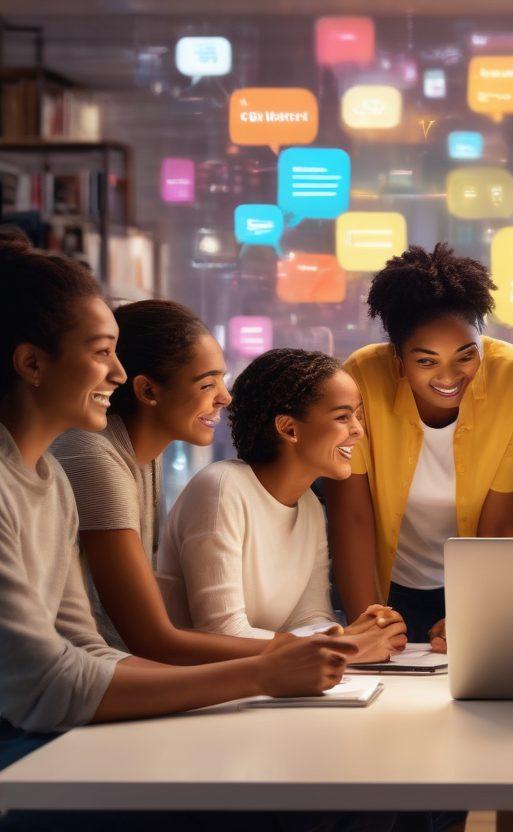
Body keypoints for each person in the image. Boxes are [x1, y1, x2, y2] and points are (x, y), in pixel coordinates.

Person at [0, 236, 392, 831]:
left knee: (349, 798)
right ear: (31, 364)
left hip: (72, 718)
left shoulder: (50, 478)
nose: (119, 371)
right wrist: (261, 674)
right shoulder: (87, 461)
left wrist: (276, 672)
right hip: (28, 750)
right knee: (319, 806)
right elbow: (50, 684)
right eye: (103, 352)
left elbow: (91, 649)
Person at [52, 300, 405, 664]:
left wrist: (346, 637)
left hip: (119, 669)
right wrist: (340, 646)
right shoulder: (98, 457)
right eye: (208, 383)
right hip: (95, 676)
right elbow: (155, 639)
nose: (225, 396)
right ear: (148, 392)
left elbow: (308, 618)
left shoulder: (144, 461)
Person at [325, 243, 513, 650]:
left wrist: (478, 614)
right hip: (383, 581)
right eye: (426, 361)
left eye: (466, 356)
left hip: (472, 582)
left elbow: (498, 526)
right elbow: (351, 514)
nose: (450, 376)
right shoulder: (361, 376)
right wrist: (367, 625)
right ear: (398, 362)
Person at [155, 349, 404, 664]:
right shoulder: (221, 489)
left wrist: (364, 633)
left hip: (260, 689)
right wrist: (345, 644)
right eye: (343, 417)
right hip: (198, 690)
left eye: (357, 415)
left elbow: (309, 618)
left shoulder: (310, 505)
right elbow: (221, 632)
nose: (358, 430)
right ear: (289, 429)